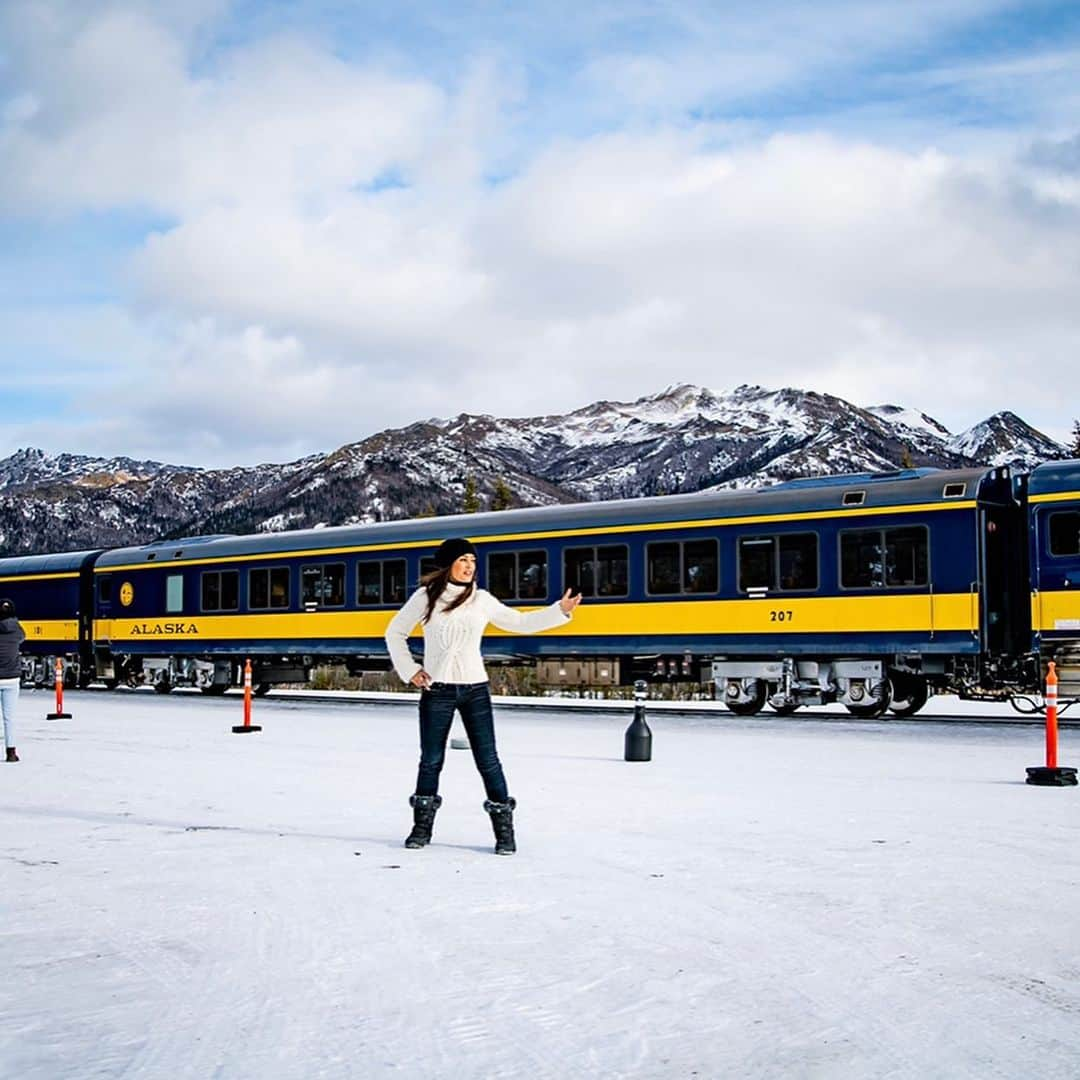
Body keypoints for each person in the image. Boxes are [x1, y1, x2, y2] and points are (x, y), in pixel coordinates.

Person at [385, 538, 582, 855]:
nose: (469, 567)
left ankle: (505, 835)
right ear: (448, 564)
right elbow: (394, 633)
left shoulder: (482, 600)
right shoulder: (425, 598)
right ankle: (421, 829)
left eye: (473, 561)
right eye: (463, 560)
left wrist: (559, 611)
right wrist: (410, 670)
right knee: (431, 761)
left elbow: (521, 622)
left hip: (476, 689)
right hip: (437, 691)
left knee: (488, 761)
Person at [0, 598, 25, 763]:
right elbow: (23, 637)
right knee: (10, 718)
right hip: (12, 679)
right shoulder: (17, 631)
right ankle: (11, 753)